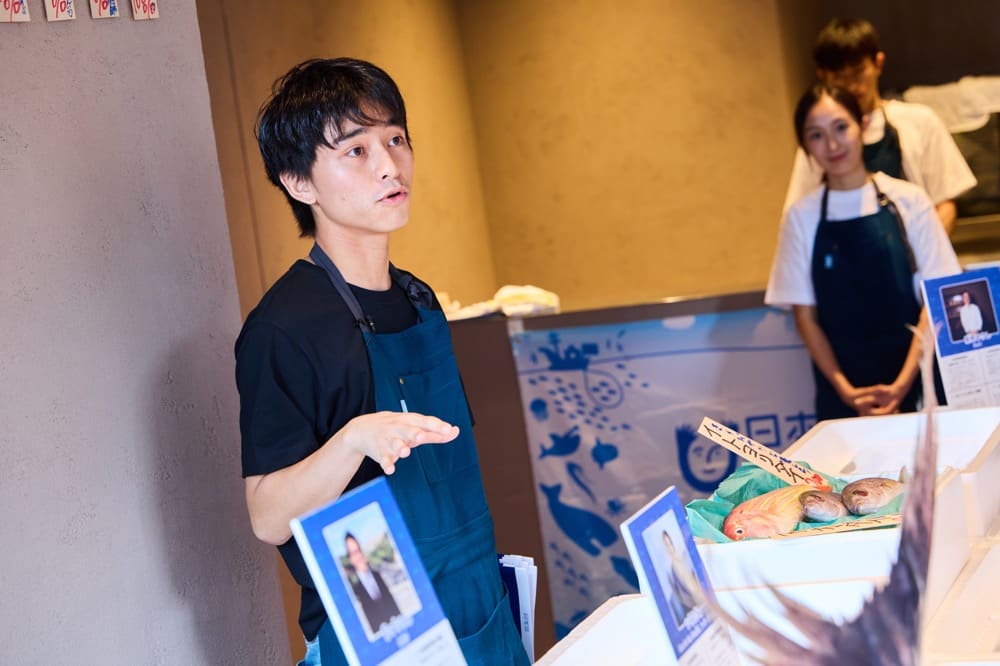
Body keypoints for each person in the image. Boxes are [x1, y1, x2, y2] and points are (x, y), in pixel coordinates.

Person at [235, 58, 529, 666]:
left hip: (476, 594)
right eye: (356, 151)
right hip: (378, 616)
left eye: (395, 139)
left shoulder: (419, 300)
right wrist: (353, 440)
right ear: (299, 182)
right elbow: (267, 516)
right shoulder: (283, 327)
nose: (390, 165)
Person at [766, 84, 961, 421]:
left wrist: (901, 385)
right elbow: (805, 317)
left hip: (917, 387)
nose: (832, 145)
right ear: (805, 146)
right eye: (816, 135)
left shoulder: (910, 201)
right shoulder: (801, 217)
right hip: (842, 400)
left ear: (863, 126)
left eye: (841, 127)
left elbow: (935, 303)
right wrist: (846, 391)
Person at [783, 17, 976, 235]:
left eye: (858, 72)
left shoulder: (921, 122)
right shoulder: (823, 140)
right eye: (839, 78)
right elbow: (800, 218)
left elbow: (945, 204)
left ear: (878, 63)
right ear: (823, 77)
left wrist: (923, 250)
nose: (851, 86)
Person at [343, 533, 400, 633]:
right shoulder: (353, 588)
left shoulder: (377, 574)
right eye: (353, 553)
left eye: (358, 550)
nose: (358, 555)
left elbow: (392, 602)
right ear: (350, 559)